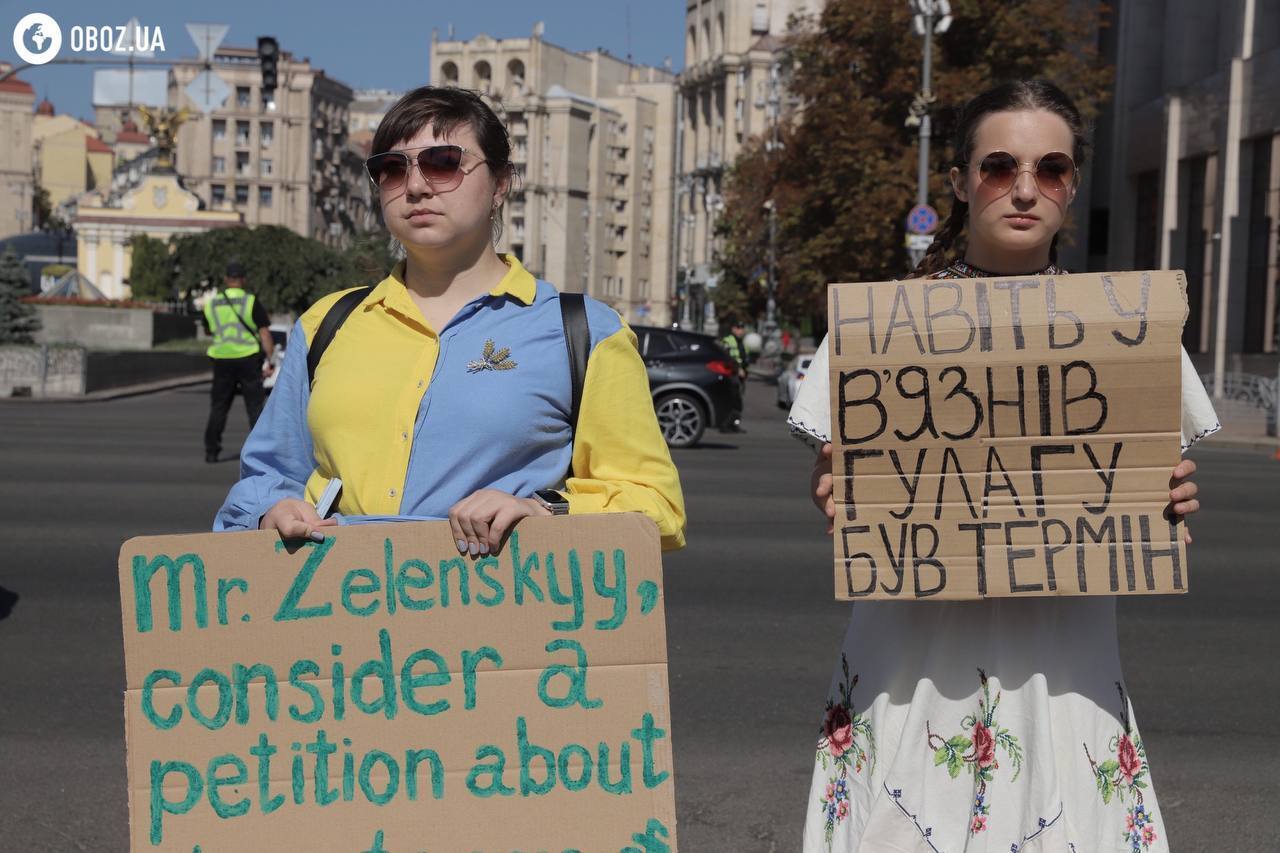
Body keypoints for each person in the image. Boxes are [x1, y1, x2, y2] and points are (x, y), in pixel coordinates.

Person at [787, 80, 1219, 852]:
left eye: (1050, 168)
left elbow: (1141, 500)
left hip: (1061, 676)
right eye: (998, 166)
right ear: (958, 180)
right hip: (913, 673)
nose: (1025, 189)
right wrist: (841, 494)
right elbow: (842, 485)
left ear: (1073, 184)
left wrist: (1170, 503)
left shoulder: (1128, 329)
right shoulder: (885, 330)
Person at [213, 86, 685, 557]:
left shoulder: (583, 332)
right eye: (392, 170)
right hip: (341, 612)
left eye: (442, 162)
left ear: (500, 183)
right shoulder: (326, 324)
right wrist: (271, 509)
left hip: (497, 621)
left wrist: (547, 510)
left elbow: (655, 507)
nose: (416, 186)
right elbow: (269, 475)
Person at [203, 261, 275, 464]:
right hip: (247, 358)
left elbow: (209, 330)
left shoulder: (212, 303)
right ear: (243, 280)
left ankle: (211, 450)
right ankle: (261, 453)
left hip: (222, 359)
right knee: (254, 407)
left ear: (226, 279)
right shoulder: (250, 301)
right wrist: (270, 360)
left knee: (219, 406)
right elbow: (264, 332)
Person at [721, 319, 749, 432]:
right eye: (738, 328)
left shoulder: (741, 341)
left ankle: (733, 424)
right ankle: (726, 425)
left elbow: (744, 358)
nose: (741, 330)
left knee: (737, 402)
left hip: (740, 377)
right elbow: (727, 358)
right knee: (734, 401)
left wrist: (745, 369)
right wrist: (738, 369)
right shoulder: (728, 341)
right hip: (731, 375)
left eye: (742, 328)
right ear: (733, 329)